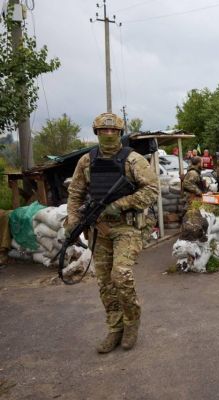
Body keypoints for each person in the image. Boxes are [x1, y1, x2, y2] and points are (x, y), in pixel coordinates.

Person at [66, 112, 159, 353]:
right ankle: (114, 328)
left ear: (120, 133)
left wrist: (120, 204)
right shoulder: (87, 161)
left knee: (121, 275)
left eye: (114, 131)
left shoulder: (134, 160)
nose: (109, 135)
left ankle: (131, 323)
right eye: (104, 131)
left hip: (127, 226)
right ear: (96, 133)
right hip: (99, 228)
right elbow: (75, 194)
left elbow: (151, 190)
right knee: (106, 283)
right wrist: (73, 222)